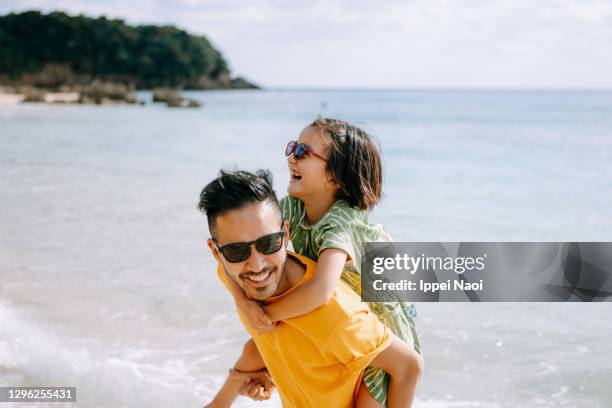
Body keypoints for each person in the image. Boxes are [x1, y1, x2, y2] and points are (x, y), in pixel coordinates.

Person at [222, 118, 421, 406]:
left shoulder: (341, 220)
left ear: (336, 177)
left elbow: (320, 290)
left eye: (303, 151)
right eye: (292, 147)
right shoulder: (292, 206)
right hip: (336, 321)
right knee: (259, 350)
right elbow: (245, 243)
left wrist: (265, 313)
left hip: (380, 326)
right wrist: (244, 303)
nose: (291, 156)